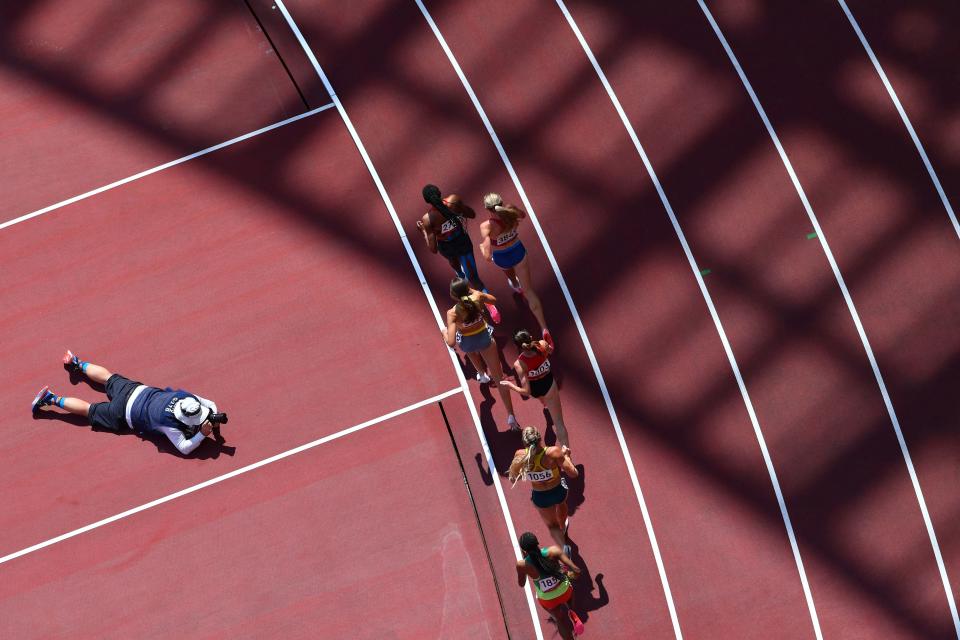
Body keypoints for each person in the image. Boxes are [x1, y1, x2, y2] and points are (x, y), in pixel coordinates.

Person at [31, 350, 222, 455]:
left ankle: (76, 362)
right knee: (89, 410)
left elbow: (210, 403)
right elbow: (184, 448)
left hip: (135, 390)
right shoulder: (170, 425)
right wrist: (202, 434)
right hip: (124, 412)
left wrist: (212, 415)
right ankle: (51, 398)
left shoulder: (186, 398)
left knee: (108, 377)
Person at [418, 184, 500, 323]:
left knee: (454, 264)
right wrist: (459, 209)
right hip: (462, 242)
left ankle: (461, 276)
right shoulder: (453, 201)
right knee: (474, 278)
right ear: (439, 192)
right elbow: (472, 214)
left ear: (427, 201)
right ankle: (491, 306)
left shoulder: (428, 219)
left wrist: (424, 232)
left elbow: (433, 249)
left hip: (447, 247)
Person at [444, 278, 518, 431]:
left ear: (453, 295)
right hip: (484, 339)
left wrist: (444, 332)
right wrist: (475, 292)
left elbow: (451, 343)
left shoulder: (452, 313)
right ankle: (511, 415)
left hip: (468, 342)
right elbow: (493, 300)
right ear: (468, 289)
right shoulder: (477, 297)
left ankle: (482, 374)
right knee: (499, 378)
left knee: (469, 350)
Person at [479, 193, 547, 334]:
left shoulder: (486, 226)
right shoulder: (511, 211)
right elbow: (523, 216)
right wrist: (512, 210)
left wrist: (483, 250)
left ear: (487, 208)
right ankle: (544, 328)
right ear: (501, 203)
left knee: (511, 276)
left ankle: (515, 285)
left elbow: (486, 256)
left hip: (502, 257)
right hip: (518, 251)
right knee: (529, 291)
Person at [500, 328, 569, 448]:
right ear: (531, 338)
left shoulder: (519, 364)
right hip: (549, 385)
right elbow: (551, 350)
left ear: (518, 346)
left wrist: (510, 386)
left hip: (536, 390)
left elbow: (526, 392)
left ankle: (545, 403)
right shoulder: (542, 345)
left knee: (543, 399)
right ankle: (567, 458)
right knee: (559, 423)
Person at [516, 531, 585, 638]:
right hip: (565, 591)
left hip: (548, 599)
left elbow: (521, 584)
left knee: (559, 620)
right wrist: (568, 574)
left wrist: (525, 565)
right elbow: (577, 571)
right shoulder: (553, 551)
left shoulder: (522, 564)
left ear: (524, 550)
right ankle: (571, 610)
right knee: (568, 590)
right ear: (538, 543)